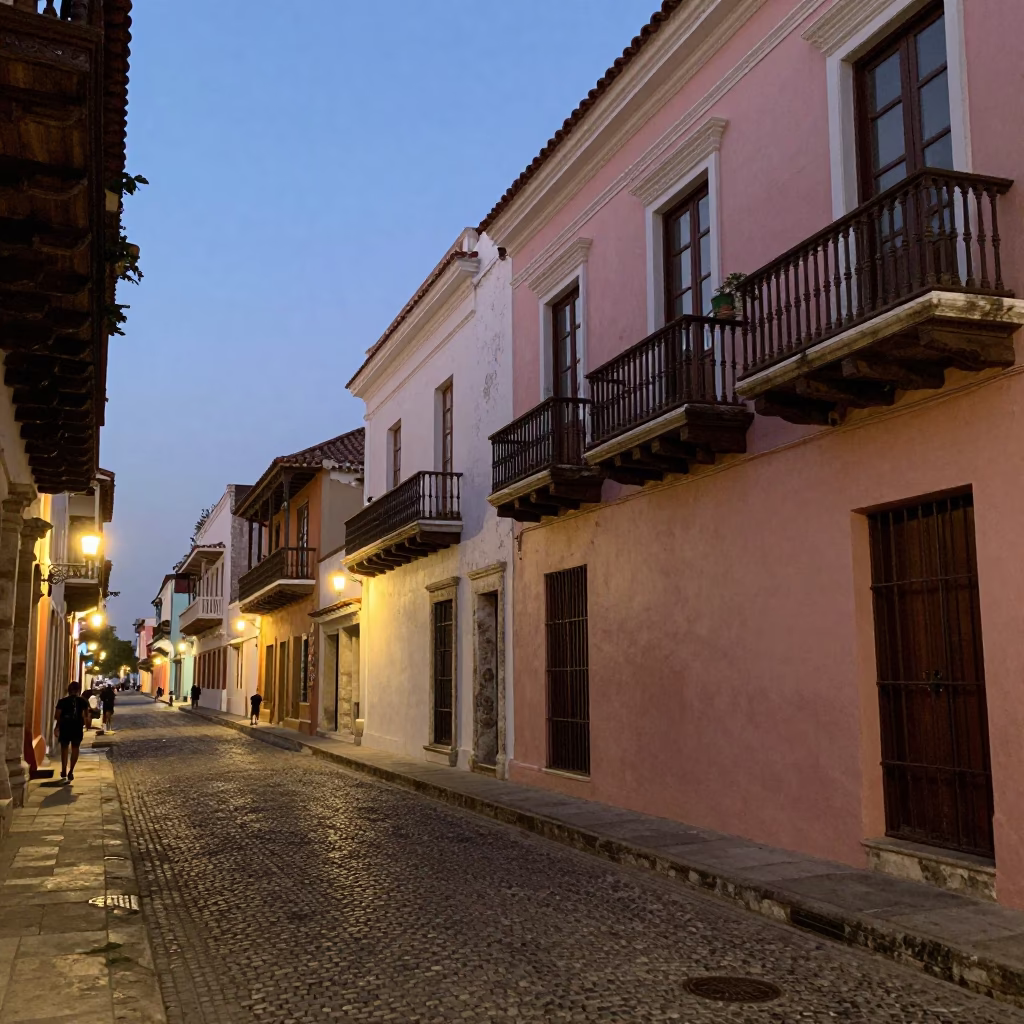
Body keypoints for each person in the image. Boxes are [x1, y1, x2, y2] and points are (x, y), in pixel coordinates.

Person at [53, 681, 89, 782]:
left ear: (68, 690)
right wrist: (85, 724)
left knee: (64, 748)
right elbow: (86, 715)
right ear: (78, 690)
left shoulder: (62, 701)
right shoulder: (83, 701)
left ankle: (64, 769)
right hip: (77, 726)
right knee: (75, 748)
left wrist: (58, 726)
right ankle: (71, 771)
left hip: (65, 726)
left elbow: (57, 716)